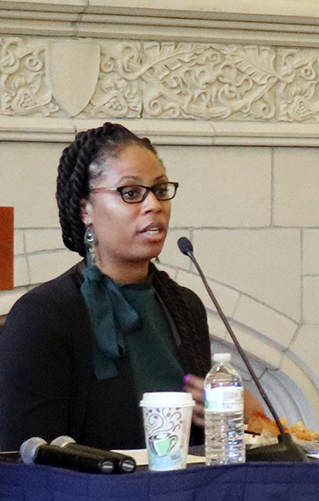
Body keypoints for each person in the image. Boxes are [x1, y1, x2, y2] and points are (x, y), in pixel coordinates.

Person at [0, 123, 212, 451]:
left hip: (185, 495)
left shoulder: (185, 307)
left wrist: (229, 410)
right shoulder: (43, 315)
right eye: (131, 193)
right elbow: (23, 457)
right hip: (88, 500)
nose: (153, 205)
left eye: (160, 190)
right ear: (86, 209)